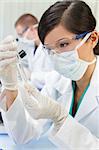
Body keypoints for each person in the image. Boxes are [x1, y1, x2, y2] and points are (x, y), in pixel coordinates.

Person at [0, 0, 99, 149]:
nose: (56, 55)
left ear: (92, 39)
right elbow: (24, 135)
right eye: (49, 49)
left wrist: (61, 118)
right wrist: (10, 87)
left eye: (63, 44)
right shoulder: (56, 81)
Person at [15, 13, 53, 89]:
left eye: (21, 34)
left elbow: (54, 77)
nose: (21, 38)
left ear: (32, 29)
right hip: (36, 90)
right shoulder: (31, 47)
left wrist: (32, 76)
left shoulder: (49, 47)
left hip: (49, 93)